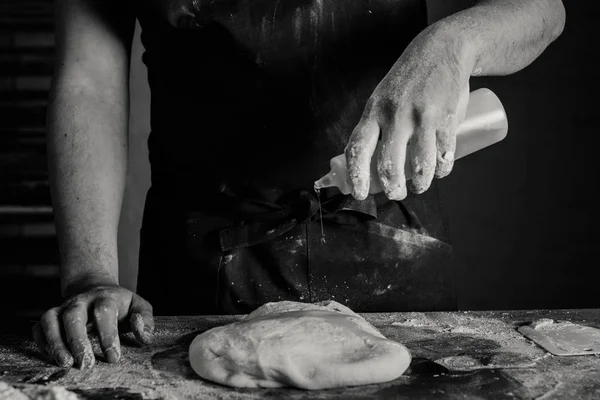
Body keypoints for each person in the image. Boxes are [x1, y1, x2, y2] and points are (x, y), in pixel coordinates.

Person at [32, 0, 565, 369]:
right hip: (202, 260)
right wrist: (89, 274)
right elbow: (89, 80)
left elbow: (544, 9)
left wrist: (453, 44)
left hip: (391, 239)